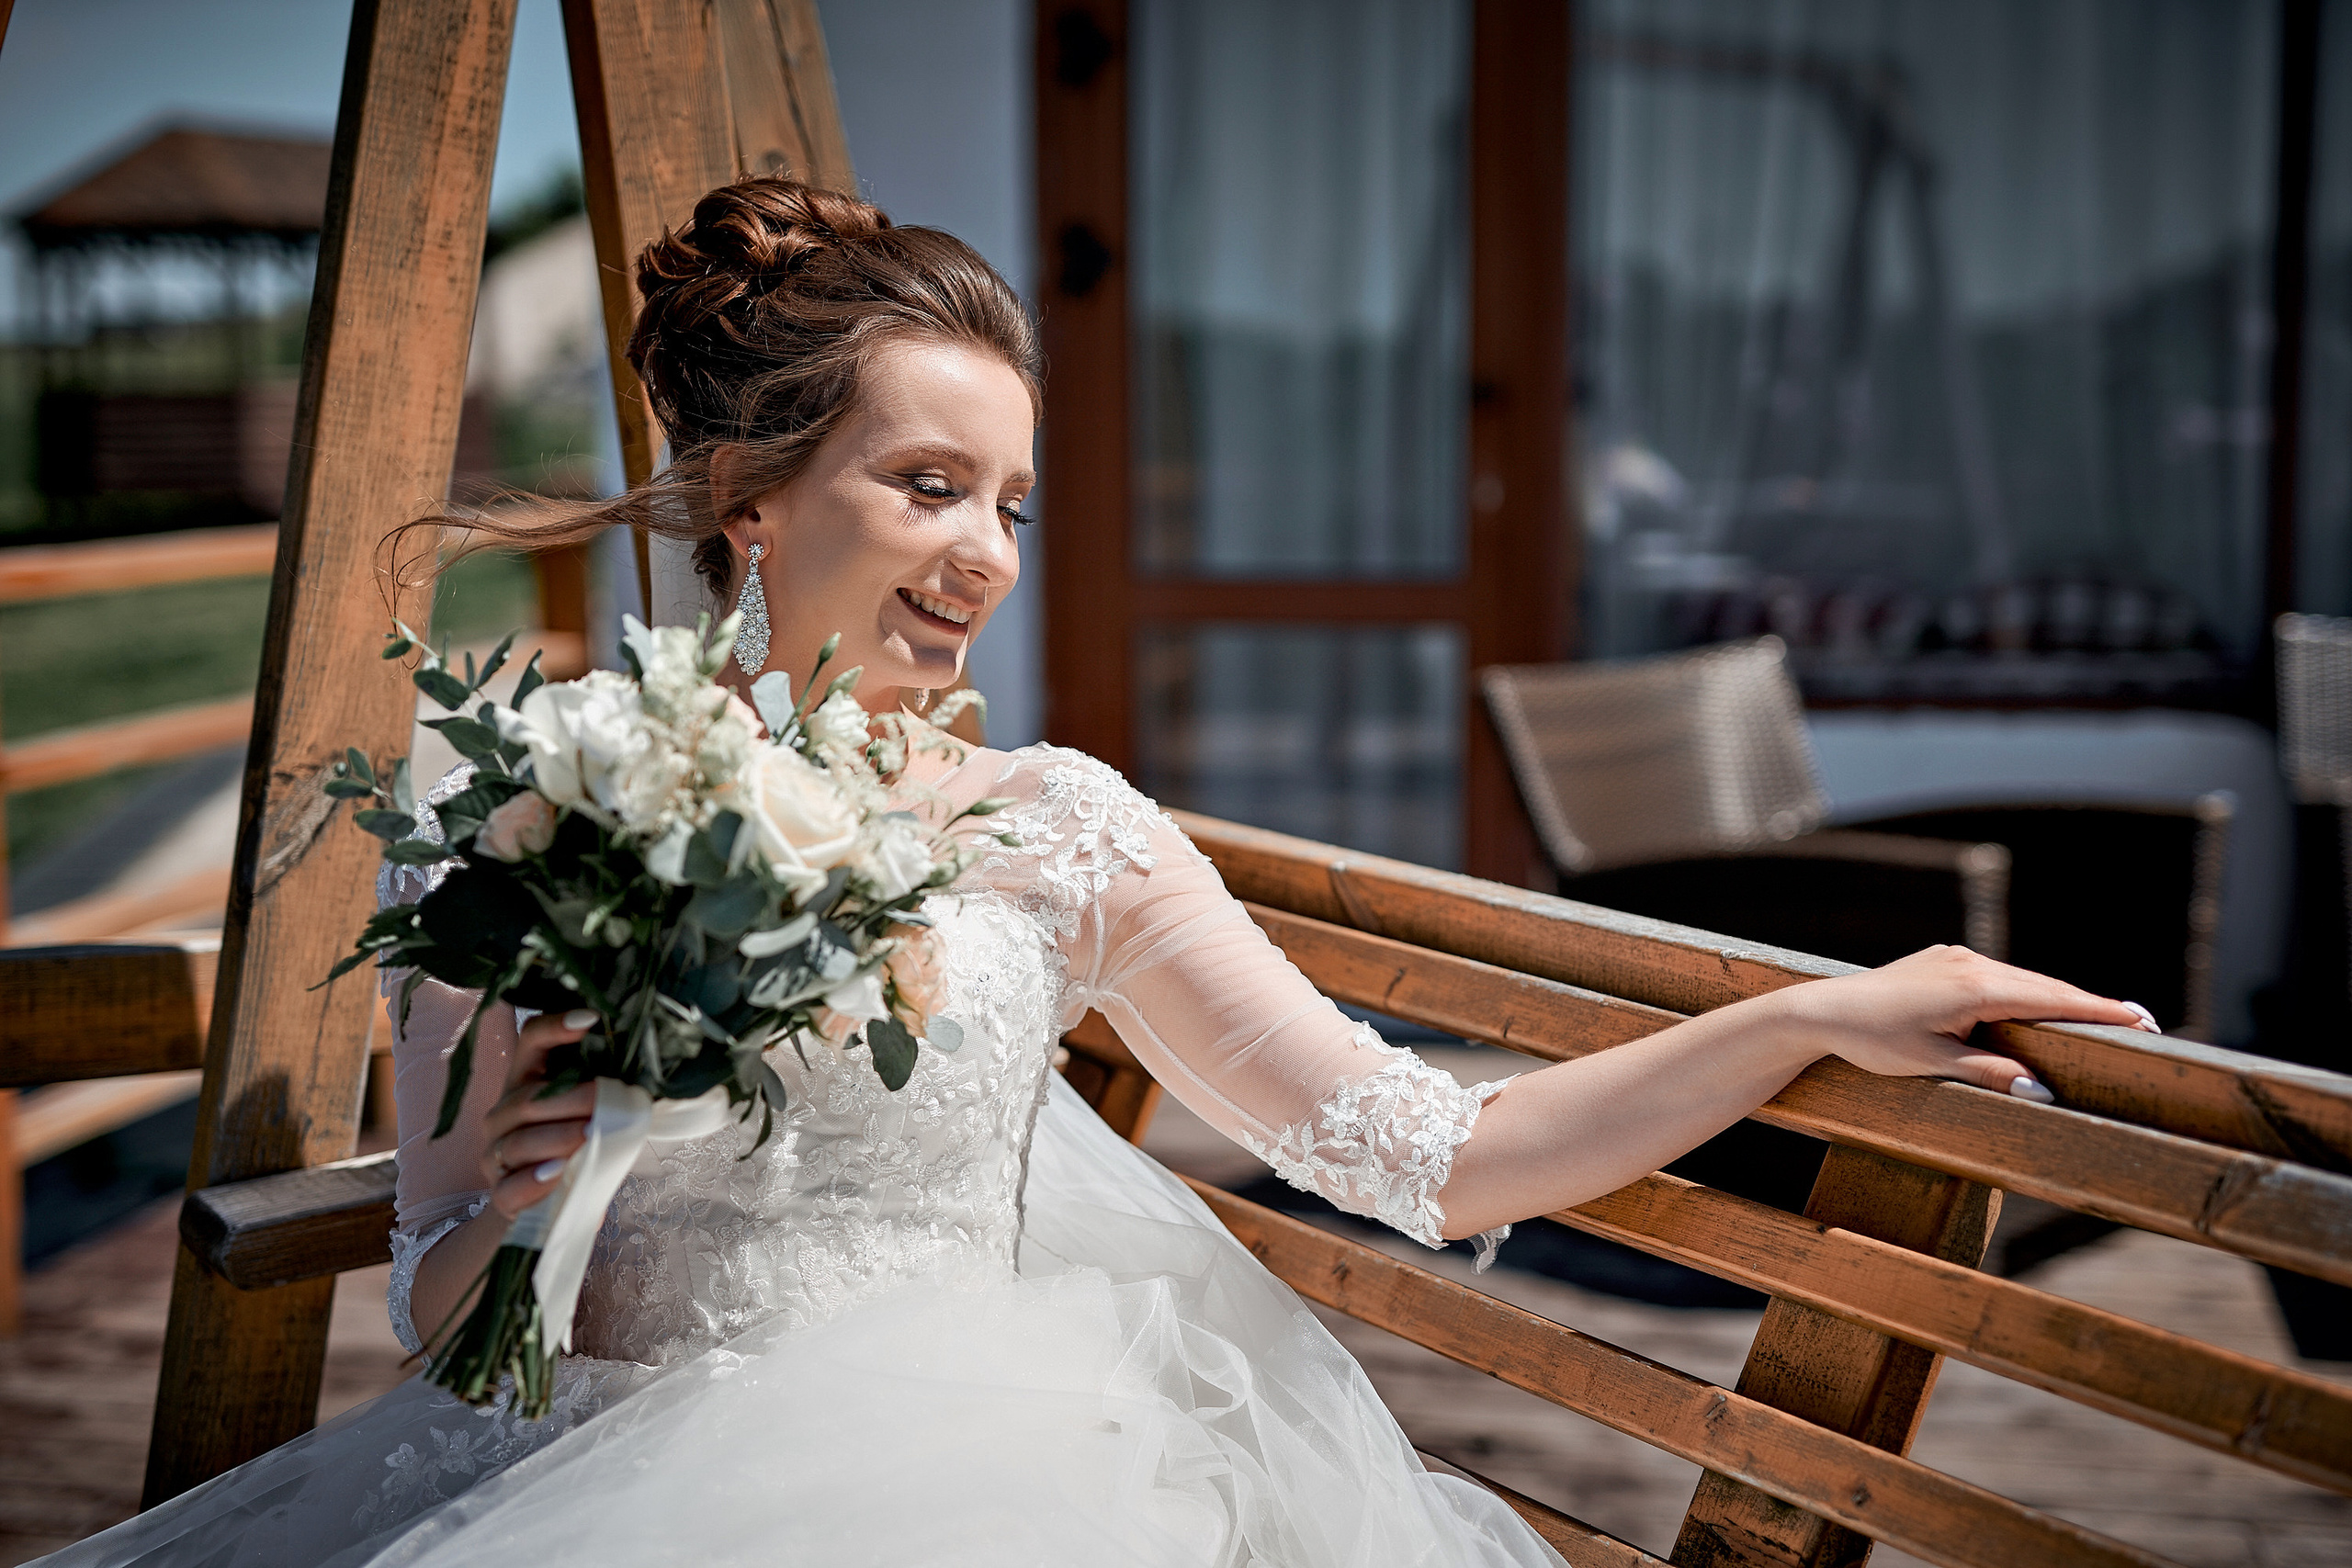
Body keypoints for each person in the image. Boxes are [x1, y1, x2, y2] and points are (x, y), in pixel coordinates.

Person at [42, 179, 2153, 1568]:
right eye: (929, 482)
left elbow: (1430, 1146)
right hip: (586, 1483)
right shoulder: (545, 813)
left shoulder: (1059, 826)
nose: (986, 552)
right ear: (754, 503)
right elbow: (432, 1302)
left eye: (1015, 501)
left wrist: (1807, 1008)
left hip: (1001, 1468)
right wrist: (501, 1186)